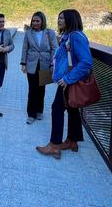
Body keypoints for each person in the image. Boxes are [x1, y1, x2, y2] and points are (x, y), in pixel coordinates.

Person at [36, 9, 93, 159]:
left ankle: (54, 145)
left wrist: (67, 79)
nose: (59, 20)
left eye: (62, 18)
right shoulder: (69, 35)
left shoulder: (75, 37)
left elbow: (86, 62)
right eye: (59, 18)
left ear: (71, 19)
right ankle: (72, 141)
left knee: (56, 108)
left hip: (69, 81)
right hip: (67, 80)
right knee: (72, 109)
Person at [20, 11, 58, 125]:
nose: (35, 23)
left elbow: (55, 49)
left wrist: (53, 64)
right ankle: (31, 114)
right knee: (32, 89)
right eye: (33, 20)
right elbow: (24, 48)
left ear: (42, 21)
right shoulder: (28, 33)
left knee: (42, 89)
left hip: (46, 64)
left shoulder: (49, 33)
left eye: (37, 21)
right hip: (31, 64)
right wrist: (23, 63)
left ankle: (39, 111)